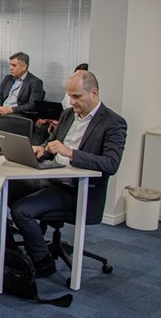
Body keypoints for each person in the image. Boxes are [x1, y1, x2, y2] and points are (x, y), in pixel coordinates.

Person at [8, 70, 127, 278]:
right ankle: (12, 254)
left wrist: (71, 153)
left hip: (75, 188)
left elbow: (111, 163)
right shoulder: (67, 114)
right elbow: (51, 142)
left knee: (21, 211)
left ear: (94, 92)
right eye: (69, 96)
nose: (71, 102)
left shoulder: (113, 122)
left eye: (77, 96)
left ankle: (43, 263)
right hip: (49, 177)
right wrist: (42, 149)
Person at [0, 52, 44, 134]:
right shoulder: (8, 79)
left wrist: (11, 109)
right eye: (10, 65)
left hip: (18, 113)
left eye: (14, 65)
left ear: (24, 67)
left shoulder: (35, 82)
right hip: (2, 110)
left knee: (0, 123)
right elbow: (0, 95)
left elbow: (32, 105)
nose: (10, 68)